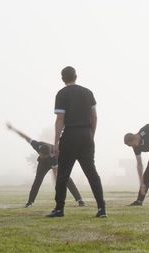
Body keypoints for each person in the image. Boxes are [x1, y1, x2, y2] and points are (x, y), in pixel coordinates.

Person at [48, 66, 107, 218]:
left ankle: (59, 209)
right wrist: (91, 135)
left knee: (63, 175)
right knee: (92, 173)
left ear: (62, 78)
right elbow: (94, 117)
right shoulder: (88, 92)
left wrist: (56, 143)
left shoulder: (61, 94)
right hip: (86, 135)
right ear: (76, 76)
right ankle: (102, 209)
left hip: (70, 135)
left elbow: (60, 120)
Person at [6, 123, 85, 207]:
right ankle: (30, 202)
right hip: (43, 164)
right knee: (37, 181)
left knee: (67, 179)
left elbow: (55, 175)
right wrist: (13, 129)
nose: (44, 157)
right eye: (42, 155)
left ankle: (79, 200)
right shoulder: (37, 145)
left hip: (57, 162)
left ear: (49, 154)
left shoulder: (53, 157)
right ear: (40, 152)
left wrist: (57, 188)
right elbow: (25, 137)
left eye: (46, 156)